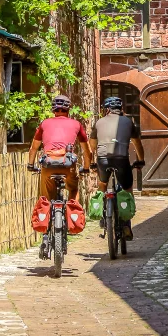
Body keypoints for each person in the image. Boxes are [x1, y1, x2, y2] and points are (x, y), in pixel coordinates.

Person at [90, 96, 145, 238]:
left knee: (102, 183)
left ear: (106, 109)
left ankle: (102, 214)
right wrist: (141, 160)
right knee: (127, 189)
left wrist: (92, 163)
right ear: (121, 109)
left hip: (103, 160)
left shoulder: (98, 123)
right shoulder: (128, 122)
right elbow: (137, 143)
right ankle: (126, 224)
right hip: (121, 160)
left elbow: (92, 147)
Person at [27, 95, 91, 199]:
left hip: (48, 164)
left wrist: (30, 165)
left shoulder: (44, 123)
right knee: (73, 189)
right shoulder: (76, 124)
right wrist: (86, 168)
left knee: (46, 198)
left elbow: (33, 148)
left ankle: (46, 212)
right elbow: (87, 150)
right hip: (68, 164)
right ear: (68, 109)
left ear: (53, 110)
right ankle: (73, 211)